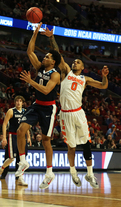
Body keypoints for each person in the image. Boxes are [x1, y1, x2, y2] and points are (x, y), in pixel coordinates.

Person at [43, 27, 109, 189]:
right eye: (74, 61)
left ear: (82, 67)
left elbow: (103, 86)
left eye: (78, 62)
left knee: (86, 143)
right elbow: (57, 54)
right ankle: (73, 172)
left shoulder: (84, 78)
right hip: (65, 114)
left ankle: (90, 173)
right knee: (71, 146)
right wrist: (52, 38)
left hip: (78, 113)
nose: (74, 62)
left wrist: (105, 76)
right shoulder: (66, 72)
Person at [16, 23, 61, 189]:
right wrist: (35, 33)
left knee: (46, 140)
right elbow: (30, 51)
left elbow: (46, 89)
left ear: (53, 61)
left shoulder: (55, 74)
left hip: (49, 108)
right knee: (21, 130)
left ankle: (49, 173)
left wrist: (30, 81)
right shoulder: (40, 67)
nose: (45, 57)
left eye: (48, 56)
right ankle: (23, 162)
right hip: (37, 105)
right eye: (46, 56)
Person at [0, 96, 30, 185]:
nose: (18, 102)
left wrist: (28, 137)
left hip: (22, 137)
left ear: (23, 103)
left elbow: (26, 125)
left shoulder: (25, 112)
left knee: (22, 159)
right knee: (11, 158)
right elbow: (4, 124)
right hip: (12, 136)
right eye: (17, 101)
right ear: (14, 102)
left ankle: (20, 178)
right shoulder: (11, 111)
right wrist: (4, 137)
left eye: (20, 101)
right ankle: (0, 170)